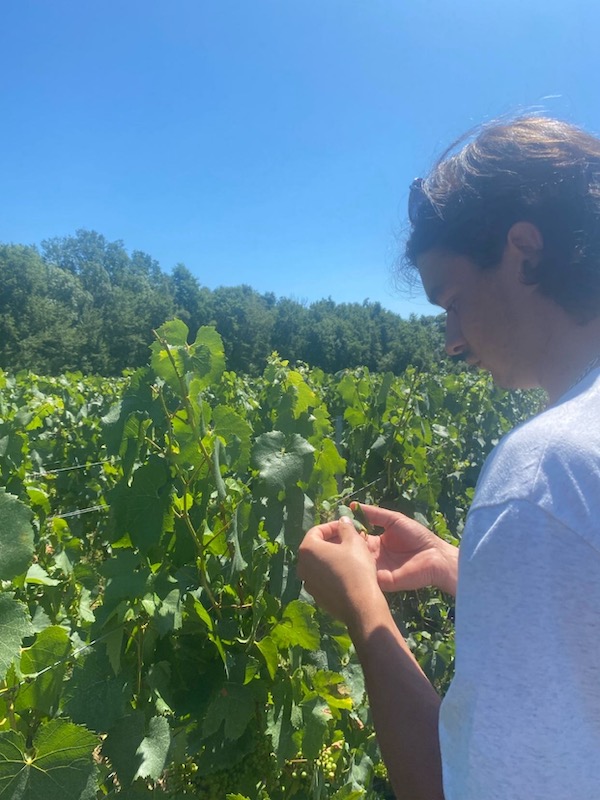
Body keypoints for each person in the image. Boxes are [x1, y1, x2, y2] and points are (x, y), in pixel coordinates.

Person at [297, 116, 600, 800]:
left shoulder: (546, 474)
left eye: (454, 302)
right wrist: (457, 568)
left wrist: (364, 612)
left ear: (524, 252)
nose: (450, 342)